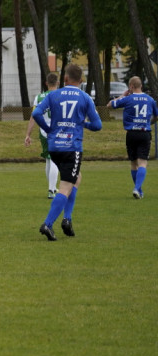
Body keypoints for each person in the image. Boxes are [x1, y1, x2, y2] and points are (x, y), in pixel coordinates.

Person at [32, 64, 102, 241]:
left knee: (76, 178)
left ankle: (67, 219)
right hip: (72, 147)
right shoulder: (85, 97)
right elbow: (97, 125)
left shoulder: (54, 94)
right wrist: (82, 123)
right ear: (81, 81)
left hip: (54, 146)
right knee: (66, 185)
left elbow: (37, 113)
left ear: (65, 79)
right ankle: (48, 224)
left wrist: (48, 129)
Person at [109, 76, 158, 199]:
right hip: (144, 133)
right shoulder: (150, 99)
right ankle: (137, 188)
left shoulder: (127, 99)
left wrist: (122, 95)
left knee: (133, 163)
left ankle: (138, 190)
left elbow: (109, 105)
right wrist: (149, 123)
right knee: (143, 163)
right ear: (141, 85)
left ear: (131, 86)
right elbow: (156, 115)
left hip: (131, 133)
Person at [24, 72, 60, 198]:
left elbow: (33, 116)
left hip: (43, 132)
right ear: (58, 83)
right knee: (55, 160)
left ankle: (52, 187)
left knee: (48, 159)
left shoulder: (39, 97)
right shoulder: (60, 95)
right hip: (57, 131)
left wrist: (28, 134)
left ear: (46, 83)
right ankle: (51, 189)